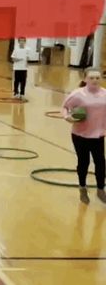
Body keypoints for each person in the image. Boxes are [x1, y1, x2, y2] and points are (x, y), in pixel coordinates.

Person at [61, 68, 106, 204]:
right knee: (83, 162)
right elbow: (65, 107)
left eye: (97, 78)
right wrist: (67, 117)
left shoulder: (105, 94)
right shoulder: (78, 95)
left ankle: (100, 189)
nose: (95, 80)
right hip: (80, 135)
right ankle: (82, 188)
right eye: (91, 78)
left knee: (101, 163)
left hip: (98, 135)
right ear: (85, 79)